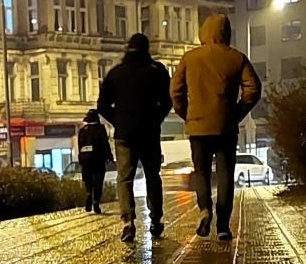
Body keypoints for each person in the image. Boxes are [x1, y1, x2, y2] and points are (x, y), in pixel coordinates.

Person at [170, 13, 262, 241]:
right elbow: (253, 89)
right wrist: (236, 113)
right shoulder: (237, 58)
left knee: (201, 172)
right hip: (226, 127)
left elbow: (175, 91)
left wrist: (188, 115)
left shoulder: (189, 58)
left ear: (204, 32)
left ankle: (204, 210)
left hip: (198, 128)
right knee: (225, 175)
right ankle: (223, 226)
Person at [97, 33, 173, 242]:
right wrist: (156, 118)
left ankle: (128, 222)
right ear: (147, 48)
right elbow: (168, 101)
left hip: (124, 135)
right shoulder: (156, 71)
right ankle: (156, 220)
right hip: (149, 132)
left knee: (125, 177)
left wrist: (118, 121)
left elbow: (102, 106)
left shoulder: (115, 74)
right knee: (152, 176)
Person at [76, 109, 112, 214]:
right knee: (98, 182)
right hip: (98, 159)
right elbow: (105, 143)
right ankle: (96, 203)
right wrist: (109, 156)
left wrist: (81, 159)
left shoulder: (82, 130)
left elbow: (80, 146)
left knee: (88, 181)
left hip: (85, 160)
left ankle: (88, 194)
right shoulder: (100, 129)